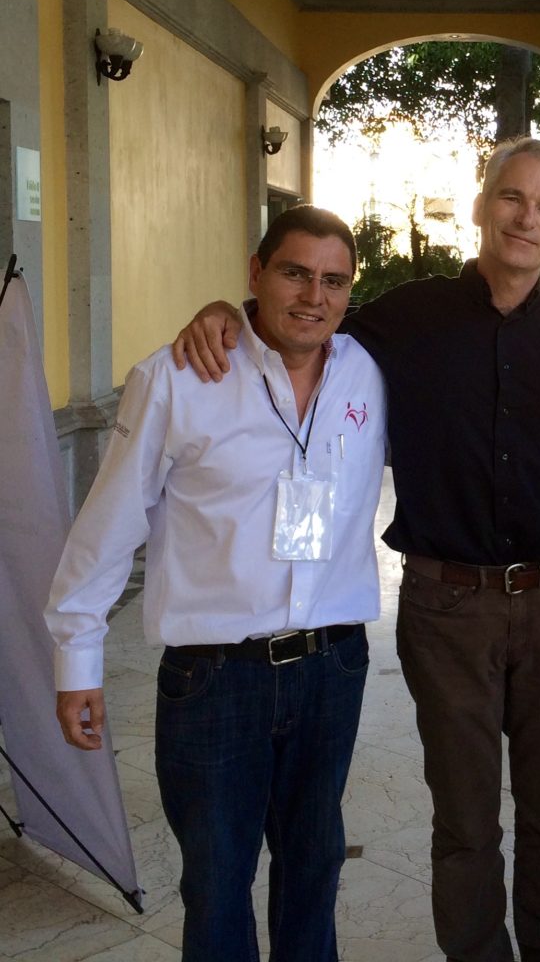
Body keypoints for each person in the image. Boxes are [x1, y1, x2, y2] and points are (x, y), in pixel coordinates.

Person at [171, 138, 540, 962]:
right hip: (446, 608)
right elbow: (301, 320)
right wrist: (223, 315)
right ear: (483, 205)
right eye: (512, 198)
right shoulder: (402, 319)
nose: (527, 217)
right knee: (464, 822)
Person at [46, 207, 387, 962]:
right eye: (296, 272)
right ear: (255, 272)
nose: (313, 296)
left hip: (333, 669)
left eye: (334, 280)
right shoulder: (177, 378)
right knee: (216, 882)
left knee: (314, 870)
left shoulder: (368, 369)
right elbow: (106, 527)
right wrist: (78, 663)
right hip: (214, 682)